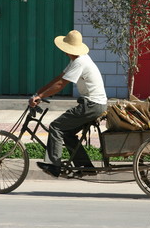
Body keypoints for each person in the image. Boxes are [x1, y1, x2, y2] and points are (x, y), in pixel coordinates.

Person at [29, 30, 108, 177]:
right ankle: (85, 167)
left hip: (92, 105)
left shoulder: (80, 62)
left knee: (56, 126)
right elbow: (60, 77)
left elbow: (61, 84)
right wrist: (38, 92)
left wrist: (40, 97)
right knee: (67, 133)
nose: (65, 53)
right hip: (95, 104)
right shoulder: (77, 60)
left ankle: (54, 166)